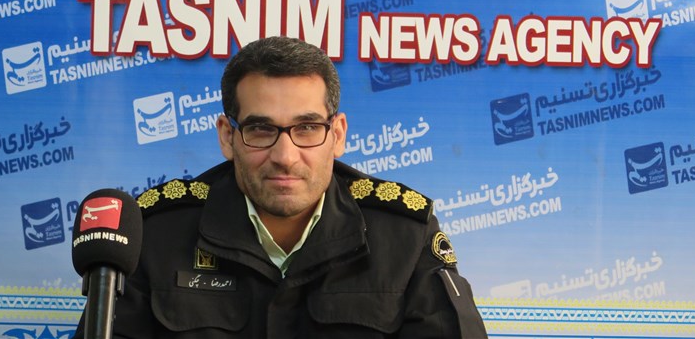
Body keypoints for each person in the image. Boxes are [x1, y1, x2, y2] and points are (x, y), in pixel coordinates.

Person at [73, 36, 488, 338]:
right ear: (227, 137)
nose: (285, 156)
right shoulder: (156, 234)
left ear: (338, 134)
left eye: (307, 128)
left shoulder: (405, 235)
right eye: (260, 129)